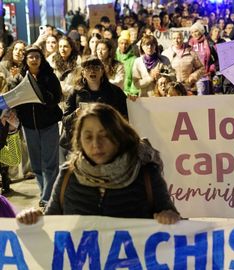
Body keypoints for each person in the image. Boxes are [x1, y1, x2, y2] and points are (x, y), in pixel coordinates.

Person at [17, 103, 181, 224]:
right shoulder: (68, 174)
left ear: (119, 135)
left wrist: (169, 216)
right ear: (79, 140)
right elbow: (51, 220)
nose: (96, 144)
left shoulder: (146, 173)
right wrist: (34, 218)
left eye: (105, 135)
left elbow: (171, 216)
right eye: (88, 137)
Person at [15, 45, 63, 207]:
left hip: (48, 125)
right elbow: (15, 101)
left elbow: (56, 98)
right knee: (36, 165)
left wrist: (37, 87)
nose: (34, 59)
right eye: (31, 57)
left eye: (37, 56)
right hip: (29, 126)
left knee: (50, 164)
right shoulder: (19, 78)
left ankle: (46, 198)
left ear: (41, 59)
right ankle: (45, 193)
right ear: (26, 60)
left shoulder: (49, 77)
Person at [60, 57, 127, 159]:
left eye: (96, 67)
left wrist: (132, 100)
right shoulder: (75, 92)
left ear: (102, 71)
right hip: (80, 143)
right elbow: (65, 120)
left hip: (107, 141)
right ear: (83, 73)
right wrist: (75, 114)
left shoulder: (115, 91)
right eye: (88, 68)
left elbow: (125, 116)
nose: (92, 71)